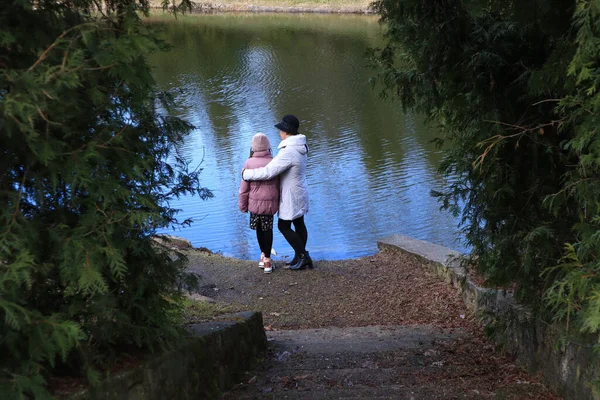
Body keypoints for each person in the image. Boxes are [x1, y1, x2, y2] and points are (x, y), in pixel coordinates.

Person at [242, 115, 313, 270]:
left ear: (286, 131)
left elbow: (269, 172)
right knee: (299, 223)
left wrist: (246, 174)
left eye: (281, 129)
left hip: (291, 194)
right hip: (300, 190)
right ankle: (299, 256)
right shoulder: (300, 146)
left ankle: (303, 256)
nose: (279, 132)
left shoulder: (288, 151)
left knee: (283, 226)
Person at [239, 133, 280, 274]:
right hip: (270, 204)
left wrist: (243, 206)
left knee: (259, 229)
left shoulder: (248, 163)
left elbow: (244, 189)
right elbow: (279, 185)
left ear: (253, 147)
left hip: (254, 204)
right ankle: (267, 259)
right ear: (268, 146)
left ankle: (263, 256)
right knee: (268, 229)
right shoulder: (274, 161)